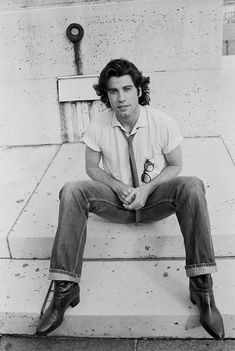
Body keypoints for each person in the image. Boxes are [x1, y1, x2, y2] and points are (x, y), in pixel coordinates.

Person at [36, 58, 224, 339]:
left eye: (126, 89)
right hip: (116, 201)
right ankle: (65, 287)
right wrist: (117, 186)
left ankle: (202, 286)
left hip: (154, 200)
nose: (121, 97)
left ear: (139, 90)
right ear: (106, 95)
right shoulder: (98, 124)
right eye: (113, 91)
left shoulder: (162, 122)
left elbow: (175, 165)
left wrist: (146, 190)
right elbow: (90, 168)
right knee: (72, 190)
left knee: (192, 186)